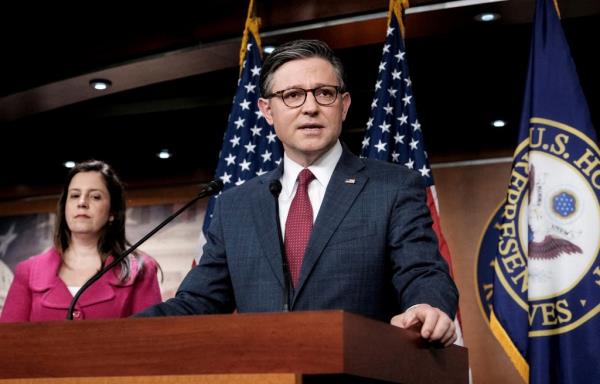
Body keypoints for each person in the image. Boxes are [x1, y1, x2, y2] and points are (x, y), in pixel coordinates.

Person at [137, 39, 459, 346]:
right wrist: (120, 328)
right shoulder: (236, 205)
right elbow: (198, 303)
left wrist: (427, 306)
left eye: (324, 93)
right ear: (267, 110)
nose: (310, 107)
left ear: (343, 106)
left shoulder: (393, 187)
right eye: (292, 95)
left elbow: (422, 272)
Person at [0, 160, 162, 322]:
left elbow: (150, 341)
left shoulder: (141, 269)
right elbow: (8, 342)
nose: (82, 202)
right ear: (65, 207)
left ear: (112, 211)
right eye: (75, 195)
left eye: (95, 197)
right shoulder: (27, 272)